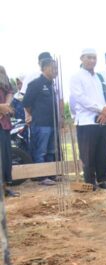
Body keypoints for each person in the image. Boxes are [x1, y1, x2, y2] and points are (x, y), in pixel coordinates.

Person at [70, 48, 106, 190]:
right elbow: (80, 98)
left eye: (94, 58)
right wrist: (100, 109)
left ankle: (103, 180)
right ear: (81, 58)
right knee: (88, 154)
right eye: (88, 57)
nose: (92, 61)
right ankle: (90, 182)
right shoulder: (76, 77)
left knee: (104, 152)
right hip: (86, 121)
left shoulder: (100, 77)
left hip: (103, 120)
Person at [23, 58, 59, 186]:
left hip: (52, 123)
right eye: (53, 68)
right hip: (40, 123)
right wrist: (34, 114)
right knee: (41, 151)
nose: (56, 71)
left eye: (56, 68)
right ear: (44, 68)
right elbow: (26, 103)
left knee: (50, 151)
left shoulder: (52, 85)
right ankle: (42, 177)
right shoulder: (36, 84)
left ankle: (50, 174)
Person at [0, 66, 19, 197]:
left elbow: (10, 92)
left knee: (5, 157)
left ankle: (4, 187)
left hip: (3, 124)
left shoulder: (2, 74)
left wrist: (5, 106)